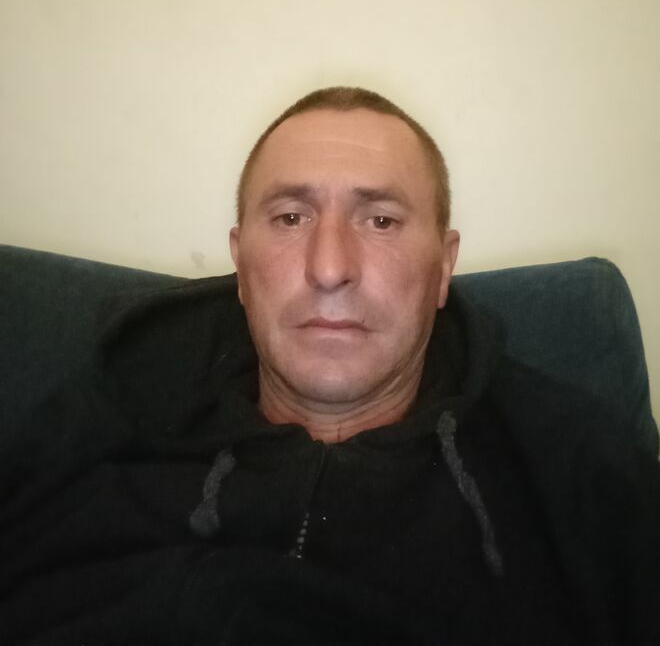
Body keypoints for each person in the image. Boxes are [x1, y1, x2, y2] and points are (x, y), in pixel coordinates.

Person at [1, 86, 659, 645]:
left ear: (443, 267)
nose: (330, 267)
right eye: (291, 217)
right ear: (240, 264)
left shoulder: (580, 472)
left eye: (381, 221)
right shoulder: (88, 440)